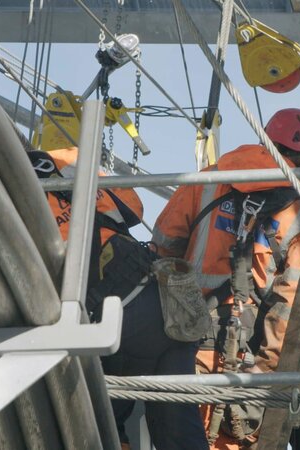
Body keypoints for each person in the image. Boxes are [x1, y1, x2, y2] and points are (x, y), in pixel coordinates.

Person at [153, 108, 300, 449]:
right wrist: (265, 374)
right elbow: (287, 310)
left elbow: (163, 246)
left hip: (181, 340)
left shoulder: (207, 180)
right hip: (243, 355)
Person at [27, 146, 208, 450]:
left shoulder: (2, 188)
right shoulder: (69, 161)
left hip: (116, 315)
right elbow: (134, 208)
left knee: (103, 427)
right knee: (178, 428)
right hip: (162, 304)